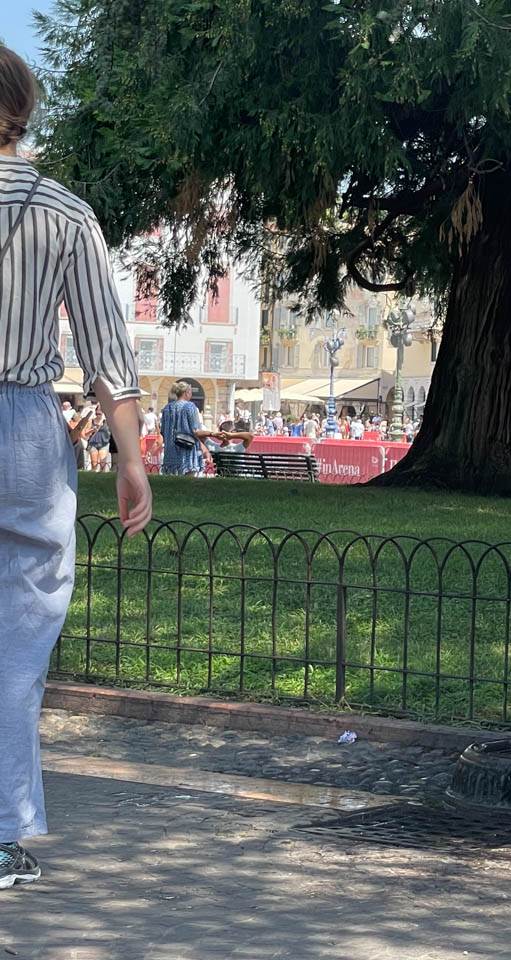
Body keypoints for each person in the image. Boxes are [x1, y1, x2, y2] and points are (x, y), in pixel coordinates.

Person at [0, 44, 153, 891]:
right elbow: (106, 352)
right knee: (17, 639)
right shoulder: (63, 212)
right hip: (21, 421)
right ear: (26, 108)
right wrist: (131, 459)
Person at [159, 381, 216, 475]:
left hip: (170, 454)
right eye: (190, 392)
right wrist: (212, 434)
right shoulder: (190, 407)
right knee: (187, 483)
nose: (191, 394)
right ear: (186, 392)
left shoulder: (167, 408)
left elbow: (163, 432)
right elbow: (196, 431)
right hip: (186, 454)